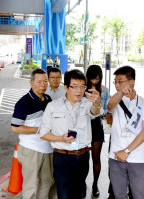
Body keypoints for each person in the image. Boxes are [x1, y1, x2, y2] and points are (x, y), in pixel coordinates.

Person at [40, 69, 101, 199]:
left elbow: (95, 112)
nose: (79, 91)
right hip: (62, 157)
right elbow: (44, 133)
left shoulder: (87, 103)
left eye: (82, 87)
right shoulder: (52, 106)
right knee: (64, 194)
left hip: (82, 156)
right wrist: (60, 138)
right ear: (66, 87)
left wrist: (97, 102)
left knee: (79, 194)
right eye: (74, 87)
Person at [107, 66, 144, 199]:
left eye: (120, 81)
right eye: (115, 82)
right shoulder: (116, 99)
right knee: (119, 195)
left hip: (137, 157)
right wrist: (120, 92)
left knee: (140, 195)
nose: (117, 85)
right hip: (115, 156)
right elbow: (109, 107)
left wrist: (126, 152)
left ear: (132, 81)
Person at [11, 69, 54, 199]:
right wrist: (38, 130)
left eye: (45, 81)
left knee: (47, 180)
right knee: (30, 185)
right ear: (31, 82)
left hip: (47, 148)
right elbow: (15, 128)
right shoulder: (23, 102)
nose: (43, 84)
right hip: (30, 149)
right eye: (39, 81)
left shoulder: (48, 99)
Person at [86, 65, 109, 197]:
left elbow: (105, 112)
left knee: (96, 158)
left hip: (96, 126)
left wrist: (101, 112)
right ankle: (82, 184)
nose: (94, 81)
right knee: (82, 158)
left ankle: (95, 184)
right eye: (92, 79)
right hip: (83, 126)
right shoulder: (82, 89)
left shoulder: (104, 90)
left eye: (97, 79)